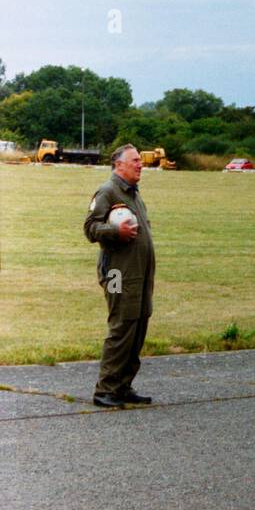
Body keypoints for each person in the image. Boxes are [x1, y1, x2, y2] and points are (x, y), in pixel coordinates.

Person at [83, 143, 155, 408]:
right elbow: (90, 228)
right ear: (119, 164)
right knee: (122, 328)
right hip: (118, 274)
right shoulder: (107, 191)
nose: (140, 164)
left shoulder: (133, 194)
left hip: (139, 275)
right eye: (135, 160)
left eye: (140, 161)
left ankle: (123, 386)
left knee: (137, 329)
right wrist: (116, 233)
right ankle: (105, 390)